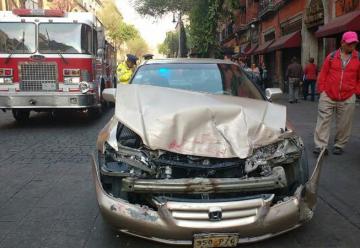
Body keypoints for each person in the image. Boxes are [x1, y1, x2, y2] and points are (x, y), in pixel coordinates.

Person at [313, 31, 360, 155]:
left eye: (354, 43)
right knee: (323, 120)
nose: (352, 46)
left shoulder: (358, 58)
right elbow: (323, 74)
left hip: (348, 96)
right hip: (328, 94)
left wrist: (356, 90)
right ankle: (321, 146)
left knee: (344, 123)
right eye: (350, 43)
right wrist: (322, 90)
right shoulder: (332, 56)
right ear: (343, 43)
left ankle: (339, 144)